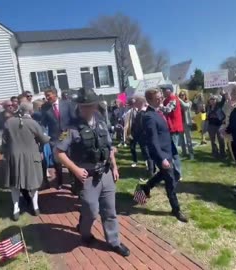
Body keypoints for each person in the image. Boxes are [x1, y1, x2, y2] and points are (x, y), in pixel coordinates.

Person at [55, 88, 130, 257]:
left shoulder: (102, 123)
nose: (87, 109)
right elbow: (58, 152)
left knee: (110, 211)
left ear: (95, 105)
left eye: (90, 105)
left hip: (105, 173)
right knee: (91, 210)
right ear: (79, 106)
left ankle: (114, 242)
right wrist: (75, 169)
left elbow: (109, 147)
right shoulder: (71, 128)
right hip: (87, 176)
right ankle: (85, 233)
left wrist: (115, 167)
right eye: (84, 106)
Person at [139, 88, 188, 223]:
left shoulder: (158, 112)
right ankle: (176, 209)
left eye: (161, 97)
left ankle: (146, 186)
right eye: (157, 98)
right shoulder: (149, 116)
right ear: (149, 101)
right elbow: (153, 141)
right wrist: (162, 159)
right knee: (170, 180)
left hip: (168, 150)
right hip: (161, 153)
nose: (161, 99)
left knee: (164, 174)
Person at [3, 102, 50, 221]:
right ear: (31, 111)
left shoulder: (9, 122)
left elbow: (4, 141)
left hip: (14, 156)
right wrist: (47, 137)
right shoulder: (33, 123)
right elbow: (43, 139)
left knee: (15, 184)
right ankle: (36, 207)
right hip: (31, 156)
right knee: (33, 182)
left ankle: (16, 209)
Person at [41, 87, 75, 190]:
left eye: (49, 95)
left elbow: (73, 118)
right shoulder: (45, 107)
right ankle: (59, 181)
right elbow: (43, 123)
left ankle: (73, 182)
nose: (47, 97)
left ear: (55, 94)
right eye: (46, 95)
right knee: (57, 161)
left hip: (67, 135)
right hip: (54, 138)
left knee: (69, 159)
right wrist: (44, 134)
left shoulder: (67, 104)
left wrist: (72, 130)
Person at [130, 96, 155, 178]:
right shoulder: (145, 112)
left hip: (144, 137)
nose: (135, 103)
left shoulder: (141, 113)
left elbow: (140, 127)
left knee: (148, 155)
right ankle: (152, 170)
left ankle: (151, 173)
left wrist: (135, 136)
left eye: (136, 102)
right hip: (146, 137)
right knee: (149, 154)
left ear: (140, 102)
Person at [206, 92, 227, 158]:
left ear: (216, 100)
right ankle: (215, 152)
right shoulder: (208, 107)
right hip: (211, 125)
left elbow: (223, 100)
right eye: (211, 99)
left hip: (219, 124)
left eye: (214, 99)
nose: (212, 101)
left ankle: (222, 153)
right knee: (213, 140)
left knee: (221, 139)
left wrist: (223, 94)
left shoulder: (219, 105)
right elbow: (206, 114)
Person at [178, 91, 194, 159]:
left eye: (183, 95)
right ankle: (184, 152)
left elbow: (185, 106)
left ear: (185, 95)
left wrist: (179, 99)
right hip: (180, 123)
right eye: (180, 95)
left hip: (186, 123)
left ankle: (191, 153)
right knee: (181, 139)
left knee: (188, 139)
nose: (181, 96)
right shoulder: (178, 103)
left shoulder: (189, 102)